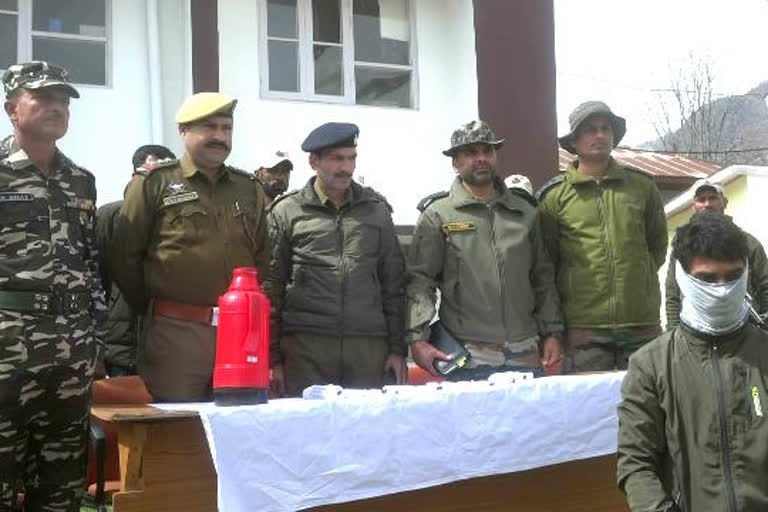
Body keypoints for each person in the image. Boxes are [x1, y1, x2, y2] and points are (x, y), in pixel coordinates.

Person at [110, 92, 269, 402]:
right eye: (209, 127)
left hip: (240, 333)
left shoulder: (248, 188)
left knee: (239, 426)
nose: (220, 136)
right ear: (183, 131)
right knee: (177, 431)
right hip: (177, 334)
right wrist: (159, 307)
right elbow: (124, 258)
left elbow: (262, 256)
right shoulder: (154, 183)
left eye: (226, 128)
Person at [0, 61, 107, 511]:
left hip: (71, 353)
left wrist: (95, 339)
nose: (56, 108)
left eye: (63, 101)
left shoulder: (80, 179)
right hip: (7, 350)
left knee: (61, 485)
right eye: (42, 98)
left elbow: (91, 264)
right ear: (11, 107)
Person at [617, 212, 768, 511]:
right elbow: (635, 464)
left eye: (733, 276)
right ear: (683, 278)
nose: (722, 289)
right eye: (708, 279)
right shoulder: (650, 365)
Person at [406, 120, 563, 380]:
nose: (481, 159)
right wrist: (417, 339)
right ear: (455, 163)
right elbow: (419, 282)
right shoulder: (439, 215)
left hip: (525, 352)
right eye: (470, 153)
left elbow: (543, 278)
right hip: (467, 355)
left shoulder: (525, 213)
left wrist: (553, 333)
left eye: (487, 151)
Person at [266, 122, 406, 396]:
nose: (346, 168)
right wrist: (272, 359)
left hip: (367, 349)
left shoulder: (376, 211)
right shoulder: (287, 212)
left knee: (367, 432)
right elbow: (270, 288)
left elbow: (395, 284)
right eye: (336, 159)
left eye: (351, 158)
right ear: (313, 161)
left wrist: (397, 349)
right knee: (308, 433)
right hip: (306, 350)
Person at [537, 101, 667, 372]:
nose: (599, 135)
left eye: (605, 129)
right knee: (588, 409)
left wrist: (636, 281)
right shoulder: (554, 196)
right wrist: (554, 330)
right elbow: (546, 265)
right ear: (574, 140)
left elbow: (656, 247)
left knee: (650, 407)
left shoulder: (642, 187)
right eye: (590, 130)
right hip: (584, 329)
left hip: (641, 325)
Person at [95, 144, 176, 377]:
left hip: (170, 349)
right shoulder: (109, 217)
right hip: (121, 349)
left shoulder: (182, 220)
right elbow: (95, 283)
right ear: (134, 177)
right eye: (146, 173)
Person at [665, 179, 768, 328]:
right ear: (693, 206)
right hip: (694, 331)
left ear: (724, 202)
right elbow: (672, 292)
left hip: (744, 330)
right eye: (701, 199)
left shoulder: (747, 242)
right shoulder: (683, 244)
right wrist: (673, 329)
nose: (707, 204)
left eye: (713, 198)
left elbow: (765, 285)